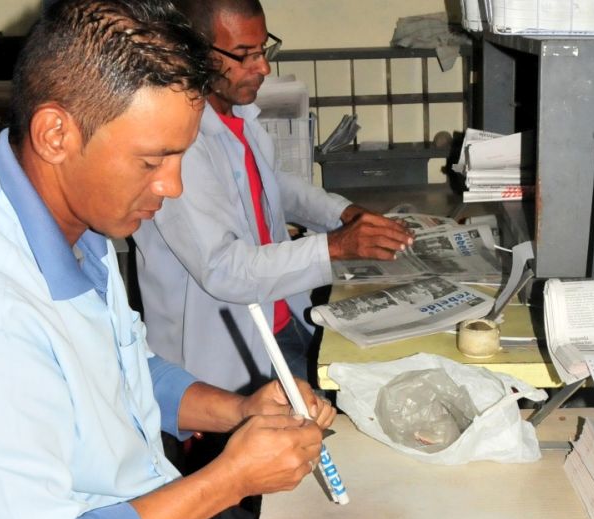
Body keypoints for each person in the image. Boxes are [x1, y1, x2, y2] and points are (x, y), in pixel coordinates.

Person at [0, 1, 335, 519]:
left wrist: (240, 409)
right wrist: (231, 476)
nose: (170, 186)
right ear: (57, 134)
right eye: (151, 160)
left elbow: (126, 368)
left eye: (180, 157)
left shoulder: (74, 221)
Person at [131, 0, 415, 393]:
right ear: (192, 53)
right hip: (224, 364)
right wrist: (333, 248)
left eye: (263, 49)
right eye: (244, 55)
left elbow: (270, 183)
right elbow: (224, 268)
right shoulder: (181, 146)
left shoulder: (237, 116)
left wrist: (345, 215)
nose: (263, 67)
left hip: (281, 319)